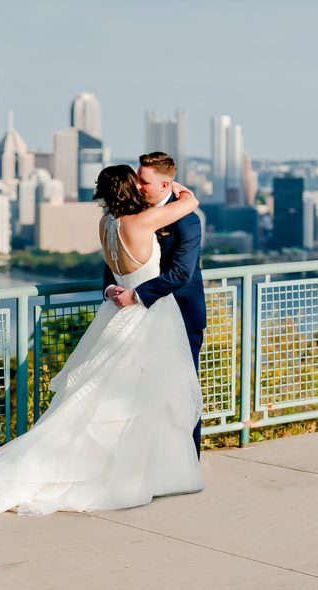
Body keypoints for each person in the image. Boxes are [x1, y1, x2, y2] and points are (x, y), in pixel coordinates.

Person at [0, 162, 203, 516]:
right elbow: (189, 203)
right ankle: (139, 472)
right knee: (142, 395)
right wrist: (175, 184)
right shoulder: (143, 221)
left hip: (116, 309)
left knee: (109, 394)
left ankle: (145, 469)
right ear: (132, 190)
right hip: (149, 316)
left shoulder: (107, 224)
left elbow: (113, 267)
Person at [104, 152, 207, 457]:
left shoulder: (187, 222)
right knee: (138, 391)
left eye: (143, 181)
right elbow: (116, 262)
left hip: (181, 317)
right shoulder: (135, 216)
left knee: (181, 391)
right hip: (139, 318)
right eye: (136, 179)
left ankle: (187, 459)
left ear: (165, 185)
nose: (137, 186)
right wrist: (111, 287)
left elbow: (180, 274)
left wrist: (137, 295)